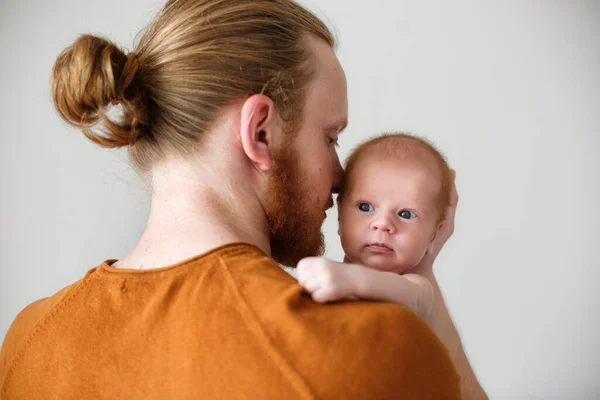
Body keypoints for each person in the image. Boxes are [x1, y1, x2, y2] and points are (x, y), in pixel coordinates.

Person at [0, 0, 486, 398]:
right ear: (260, 132)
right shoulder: (369, 348)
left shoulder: (27, 340)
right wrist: (421, 286)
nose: (341, 180)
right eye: (330, 138)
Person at [297, 133, 453, 319]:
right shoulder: (331, 276)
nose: (383, 224)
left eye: (406, 214)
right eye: (365, 207)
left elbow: (414, 300)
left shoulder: (417, 288)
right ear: (340, 216)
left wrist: (352, 280)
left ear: (433, 236)